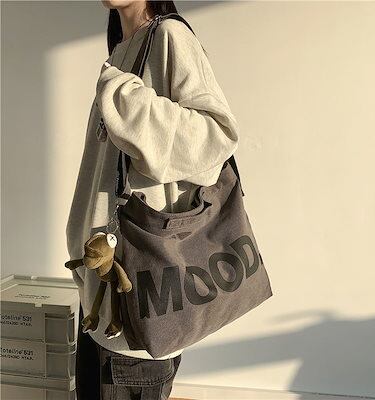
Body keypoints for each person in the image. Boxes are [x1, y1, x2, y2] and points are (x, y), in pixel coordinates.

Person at [65, 0, 240, 399]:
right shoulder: (122, 49)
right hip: (100, 290)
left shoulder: (169, 37)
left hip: (138, 298)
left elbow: (217, 136)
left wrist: (126, 97)